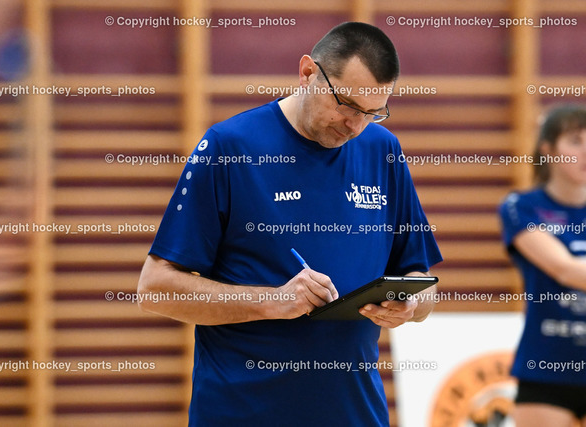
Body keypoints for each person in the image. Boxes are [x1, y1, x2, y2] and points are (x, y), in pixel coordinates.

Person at [138, 22, 442, 426]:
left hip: (355, 414)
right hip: (243, 414)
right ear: (307, 73)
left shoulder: (382, 150)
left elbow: (422, 282)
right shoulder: (230, 147)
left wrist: (411, 305)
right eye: (347, 105)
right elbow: (155, 288)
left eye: (372, 113)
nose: (355, 125)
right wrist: (273, 301)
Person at [498, 105, 586, 427]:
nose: (585, 151)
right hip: (547, 369)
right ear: (547, 150)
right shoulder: (521, 207)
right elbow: (565, 269)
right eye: (575, 141)